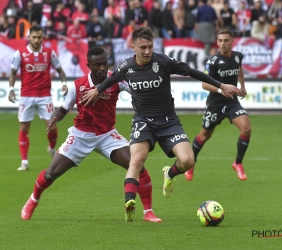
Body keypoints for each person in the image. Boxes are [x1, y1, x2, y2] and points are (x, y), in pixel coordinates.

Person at [81, 27, 240, 222]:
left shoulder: (163, 62)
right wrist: (97, 90)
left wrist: (221, 85)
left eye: (150, 47)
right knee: (136, 159)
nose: (147, 51)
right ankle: (129, 201)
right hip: (143, 121)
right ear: (133, 47)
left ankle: (170, 173)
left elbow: (192, 72)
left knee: (188, 160)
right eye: (142, 48)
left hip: (168, 121)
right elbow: (111, 79)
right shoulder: (125, 67)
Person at [20, 47, 162, 223]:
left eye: (105, 63)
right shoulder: (78, 85)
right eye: (97, 65)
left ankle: (148, 211)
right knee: (51, 174)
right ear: (89, 66)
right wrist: (54, 119)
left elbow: (137, 89)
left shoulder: (116, 80)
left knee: (137, 164)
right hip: (81, 135)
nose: (102, 68)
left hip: (107, 135)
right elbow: (64, 109)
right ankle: (33, 200)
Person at [185, 29, 251, 182]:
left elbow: (239, 69)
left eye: (225, 40)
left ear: (232, 41)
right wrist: (221, 89)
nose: (222, 44)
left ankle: (238, 163)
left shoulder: (237, 56)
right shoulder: (213, 61)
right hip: (215, 103)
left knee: (246, 128)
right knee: (205, 135)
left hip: (232, 101)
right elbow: (204, 84)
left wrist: (242, 86)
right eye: (220, 40)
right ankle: (191, 163)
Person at [8, 24, 68, 171]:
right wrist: (11, 89)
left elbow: (60, 69)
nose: (36, 40)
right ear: (29, 37)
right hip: (26, 95)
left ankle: (51, 148)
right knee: (24, 127)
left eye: (39, 37)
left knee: (52, 126)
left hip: (44, 96)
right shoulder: (20, 53)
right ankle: (24, 162)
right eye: (34, 37)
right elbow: (13, 72)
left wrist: (65, 83)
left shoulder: (49, 52)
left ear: (42, 37)